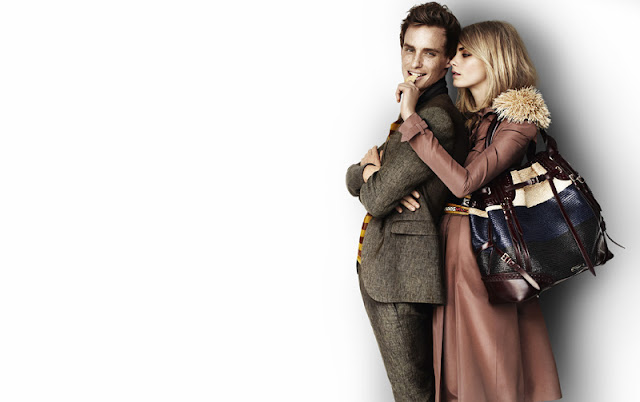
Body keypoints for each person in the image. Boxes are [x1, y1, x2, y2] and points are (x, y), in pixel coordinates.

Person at [396, 21, 563, 401]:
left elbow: (465, 182)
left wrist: (410, 117)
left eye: (465, 54)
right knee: (457, 363)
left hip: (485, 252)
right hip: (452, 246)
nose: (453, 61)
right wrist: (388, 183)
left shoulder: (518, 121)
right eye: (454, 53)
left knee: (489, 360)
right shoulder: (466, 119)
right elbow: (430, 174)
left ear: (494, 58)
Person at [345, 3, 468, 400]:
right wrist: (369, 171)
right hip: (391, 273)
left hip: (401, 276)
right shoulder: (416, 113)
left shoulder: (434, 119)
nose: (415, 63)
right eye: (409, 49)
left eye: (429, 53)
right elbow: (353, 177)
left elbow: (376, 198)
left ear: (448, 60)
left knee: (414, 395)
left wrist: (372, 174)